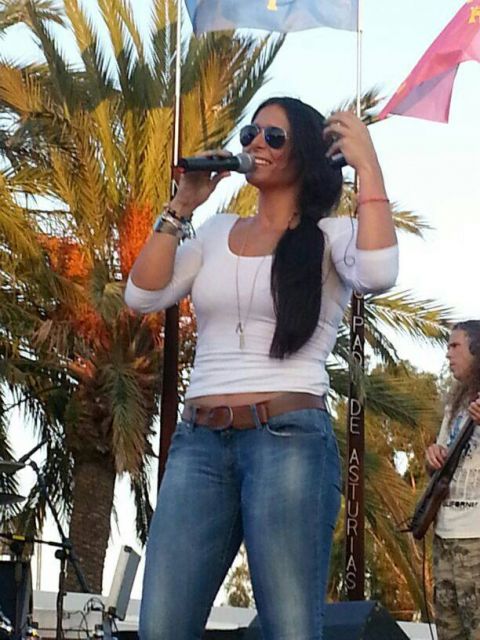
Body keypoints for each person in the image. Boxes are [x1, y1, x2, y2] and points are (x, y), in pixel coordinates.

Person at [125, 96, 398, 640]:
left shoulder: (331, 236)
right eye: (250, 133)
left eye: (274, 137)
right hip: (199, 443)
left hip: (287, 439)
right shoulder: (215, 232)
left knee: (290, 628)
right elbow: (141, 294)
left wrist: (368, 165)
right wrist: (182, 205)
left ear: (306, 153)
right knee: (161, 626)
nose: (256, 144)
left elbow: (379, 271)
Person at [425, 321, 480, 640]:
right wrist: (432, 456)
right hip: (445, 533)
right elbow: (438, 461)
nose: (448, 354)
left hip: (476, 536)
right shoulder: (454, 404)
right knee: (449, 631)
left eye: (455, 346)